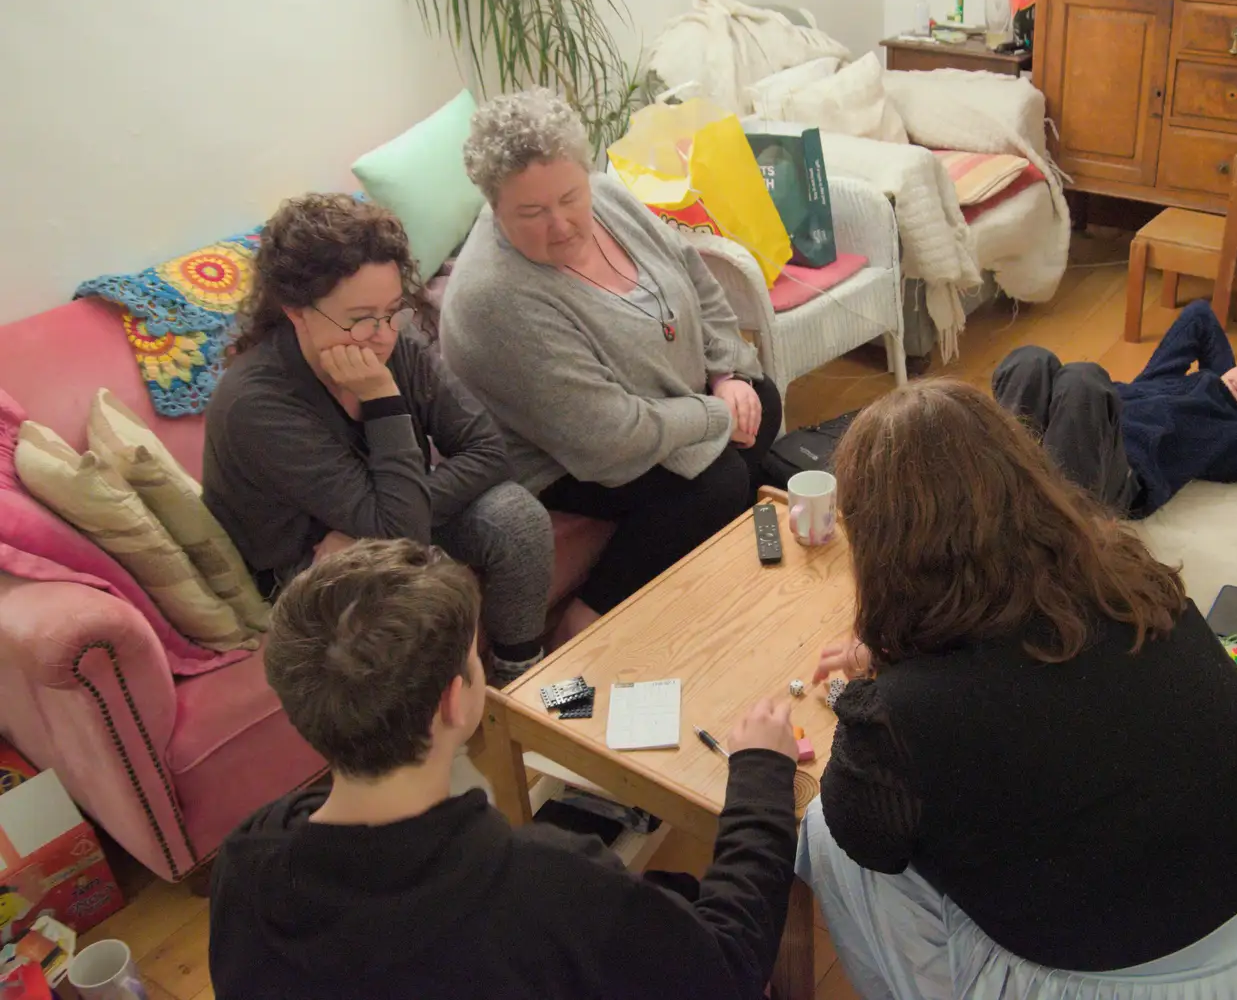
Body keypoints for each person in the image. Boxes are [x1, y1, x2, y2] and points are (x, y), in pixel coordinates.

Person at [800, 380, 1237, 1000]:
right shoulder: (1135, 583)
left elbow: (862, 828)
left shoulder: (902, 716)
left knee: (826, 830)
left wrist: (880, 683)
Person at [208, 539, 801, 1000]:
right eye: (475, 657)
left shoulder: (246, 862)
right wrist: (761, 780)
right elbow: (728, 967)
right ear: (453, 701)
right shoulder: (552, 886)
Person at [442, 88, 782, 638]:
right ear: (493, 205)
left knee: (760, 400)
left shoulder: (608, 198)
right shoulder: (494, 299)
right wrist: (716, 412)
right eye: (531, 212)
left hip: (659, 398)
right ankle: (582, 625)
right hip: (567, 455)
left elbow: (695, 276)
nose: (562, 224)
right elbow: (607, 437)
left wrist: (728, 375)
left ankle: (702, 572)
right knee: (714, 480)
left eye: (570, 197)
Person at [203, 193, 551, 685]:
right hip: (304, 569)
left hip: (372, 524)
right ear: (297, 311)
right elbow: (400, 538)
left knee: (514, 517)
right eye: (360, 318)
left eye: (393, 311)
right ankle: (443, 719)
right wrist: (383, 400)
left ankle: (521, 680)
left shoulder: (391, 341)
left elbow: (490, 450)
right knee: (404, 583)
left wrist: (392, 514)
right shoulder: (256, 405)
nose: (383, 335)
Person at [992, 298, 1237, 518]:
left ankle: (1046, 518)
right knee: (1033, 360)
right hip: (1069, 436)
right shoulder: (1173, 378)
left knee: (1082, 379)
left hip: (1112, 476)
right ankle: (999, 479)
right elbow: (1199, 316)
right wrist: (1221, 373)